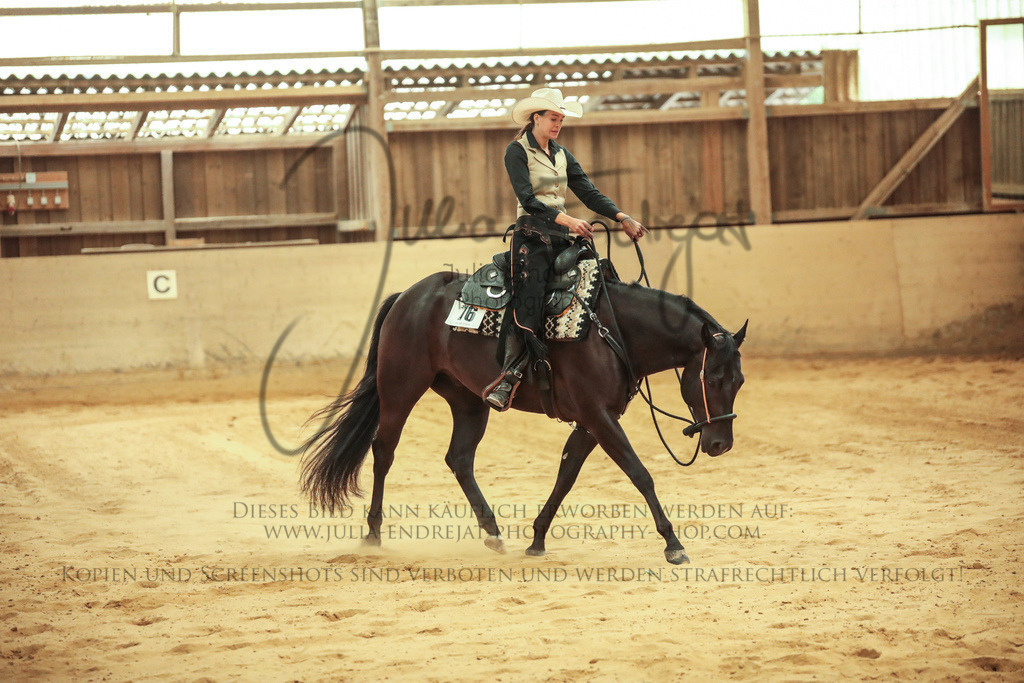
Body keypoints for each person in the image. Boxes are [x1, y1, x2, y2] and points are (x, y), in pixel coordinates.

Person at [483, 87, 649, 411]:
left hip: (561, 236)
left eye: (561, 119)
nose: (558, 123)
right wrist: (569, 220)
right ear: (536, 118)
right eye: (553, 118)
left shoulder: (562, 154)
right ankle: (510, 375)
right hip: (531, 237)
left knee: (600, 278)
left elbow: (589, 192)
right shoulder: (516, 151)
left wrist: (622, 217)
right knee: (530, 294)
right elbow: (527, 199)